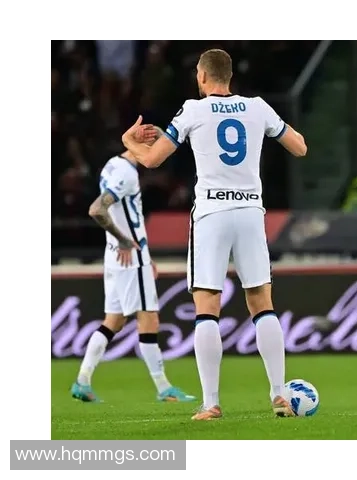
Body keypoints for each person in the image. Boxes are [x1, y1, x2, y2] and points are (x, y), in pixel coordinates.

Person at [120, 49, 307, 421]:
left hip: (211, 213)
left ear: (202, 76)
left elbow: (152, 159)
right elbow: (300, 147)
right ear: (230, 76)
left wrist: (130, 142)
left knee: (207, 307)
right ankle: (279, 395)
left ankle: (212, 403)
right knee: (262, 303)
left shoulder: (193, 110)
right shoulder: (257, 107)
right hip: (250, 211)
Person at [70, 128, 196, 404]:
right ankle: (164, 388)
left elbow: (121, 214)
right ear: (145, 143)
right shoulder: (127, 173)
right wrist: (125, 241)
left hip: (115, 257)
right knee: (149, 318)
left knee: (113, 321)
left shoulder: (112, 165)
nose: (160, 155)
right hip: (129, 258)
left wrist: (141, 253)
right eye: (158, 147)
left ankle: (82, 381)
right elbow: (97, 209)